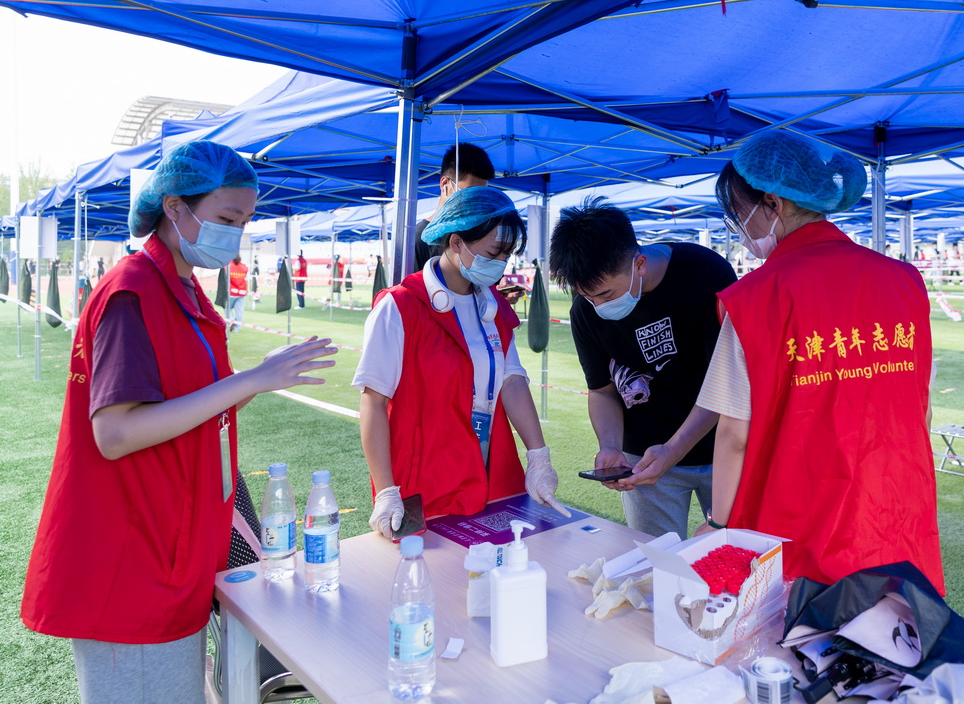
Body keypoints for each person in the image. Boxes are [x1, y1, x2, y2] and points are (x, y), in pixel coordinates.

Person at [20, 141, 336, 702]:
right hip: (133, 559)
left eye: (244, 222)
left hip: (171, 545)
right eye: (226, 219)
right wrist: (249, 380)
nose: (235, 235)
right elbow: (115, 433)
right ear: (174, 207)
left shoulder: (182, 289)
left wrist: (254, 379)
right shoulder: (133, 292)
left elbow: (197, 406)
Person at [694, 130, 944, 592]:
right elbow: (921, 407)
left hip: (801, 521)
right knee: (895, 625)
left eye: (739, 214)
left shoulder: (753, 299)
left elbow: (733, 435)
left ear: (773, 203)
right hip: (894, 506)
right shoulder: (904, 280)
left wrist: (718, 523)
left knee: (803, 633)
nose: (740, 230)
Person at [354, 186, 569, 537]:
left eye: (507, 254)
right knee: (425, 566)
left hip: (490, 471)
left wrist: (538, 456)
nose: (501, 263)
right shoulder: (400, 306)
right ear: (456, 242)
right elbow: (373, 401)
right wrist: (386, 490)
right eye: (494, 252)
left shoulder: (494, 306)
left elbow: (512, 381)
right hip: (423, 479)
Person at [549, 197, 737, 539]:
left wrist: (674, 450)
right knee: (656, 559)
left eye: (607, 294)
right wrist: (610, 445)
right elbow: (602, 390)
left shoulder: (706, 274)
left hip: (725, 447)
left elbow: (725, 381)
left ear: (638, 264)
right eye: (587, 297)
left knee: (738, 551)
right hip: (644, 457)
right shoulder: (585, 311)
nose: (598, 306)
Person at [413, 143, 494, 270]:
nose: (475, 201)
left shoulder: (477, 235)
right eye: (469, 192)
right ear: (445, 184)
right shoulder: (417, 240)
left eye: (481, 194)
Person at [227, 255, 248, 332]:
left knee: (227, 308)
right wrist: (246, 291)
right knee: (239, 311)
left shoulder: (228, 267)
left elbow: (225, 280)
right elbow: (246, 281)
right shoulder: (245, 268)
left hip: (231, 292)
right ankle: (237, 328)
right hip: (241, 292)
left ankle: (231, 319)